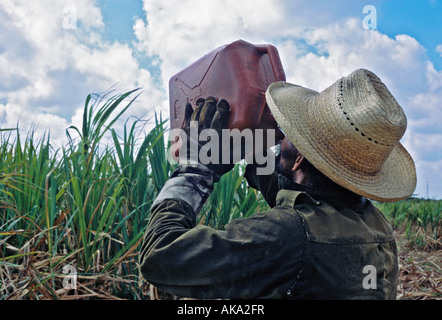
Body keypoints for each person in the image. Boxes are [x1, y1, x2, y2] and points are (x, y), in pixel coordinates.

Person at [139, 69, 417, 299]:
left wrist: (196, 170)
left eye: (290, 134)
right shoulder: (373, 223)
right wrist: (245, 142)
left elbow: (160, 257)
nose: (281, 136)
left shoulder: (289, 236)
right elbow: (292, 189)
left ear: (298, 160)